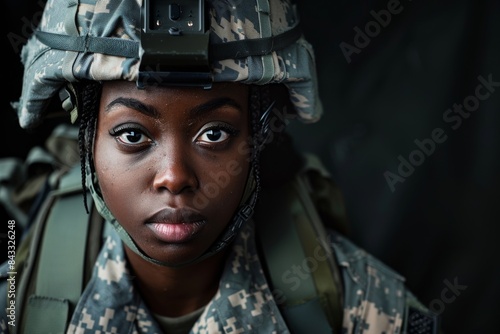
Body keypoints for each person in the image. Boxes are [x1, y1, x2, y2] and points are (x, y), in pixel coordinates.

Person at [0, 0, 441, 333]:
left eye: (215, 134)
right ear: (87, 141)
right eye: (133, 134)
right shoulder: (17, 305)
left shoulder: (366, 311)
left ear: (261, 135)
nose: (174, 176)